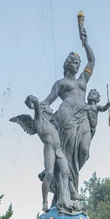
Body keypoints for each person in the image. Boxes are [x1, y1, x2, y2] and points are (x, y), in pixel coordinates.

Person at [42, 26, 95, 200]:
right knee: (69, 154)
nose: (77, 65)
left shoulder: (83, 80)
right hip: (67, 118)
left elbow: (92, 61)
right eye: (74, 62)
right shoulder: (60, 83)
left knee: (84, 151)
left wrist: (85, 42)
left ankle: (69, 183)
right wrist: (37, 106)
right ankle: (70, 187)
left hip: (84, 117)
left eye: (78, 63)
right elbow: (48, 100)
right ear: (67, 64)